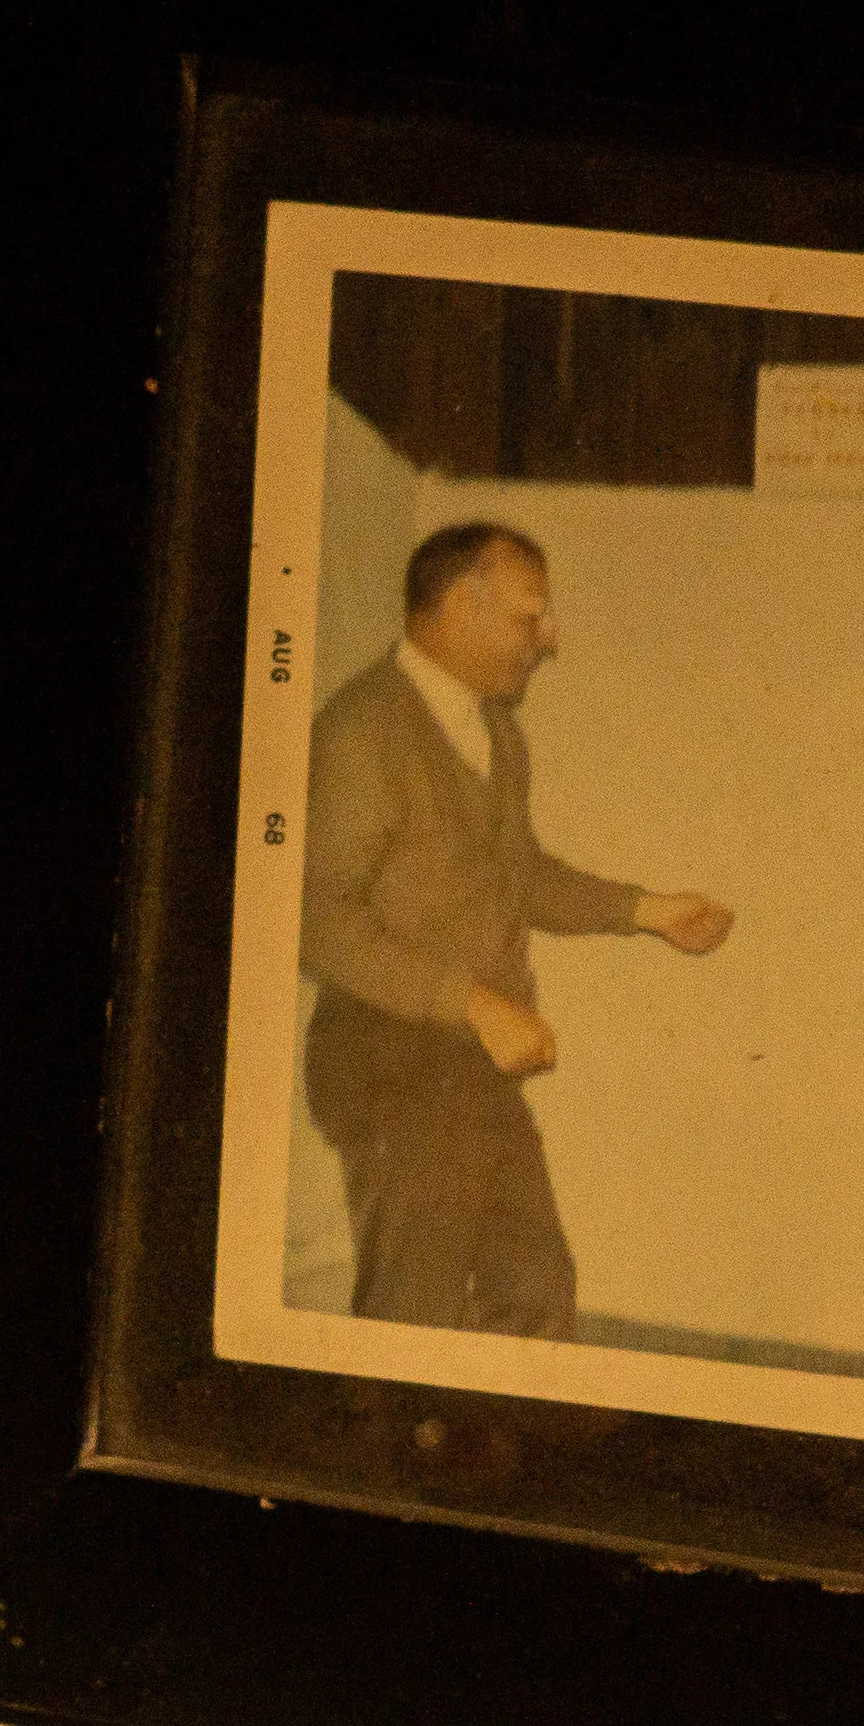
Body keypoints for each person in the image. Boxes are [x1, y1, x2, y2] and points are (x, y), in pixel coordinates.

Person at [295, 522, 735, 1336]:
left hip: (469, 1062)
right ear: (462, 606)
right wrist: (473, 1002)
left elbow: (518, 875)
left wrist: (647, 910)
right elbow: (313, 916)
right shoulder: (363, 731)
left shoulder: (496, 731)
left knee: (533, 1288)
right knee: (414, 1302)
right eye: (531, 617)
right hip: (384, 1055)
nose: (551, 640)